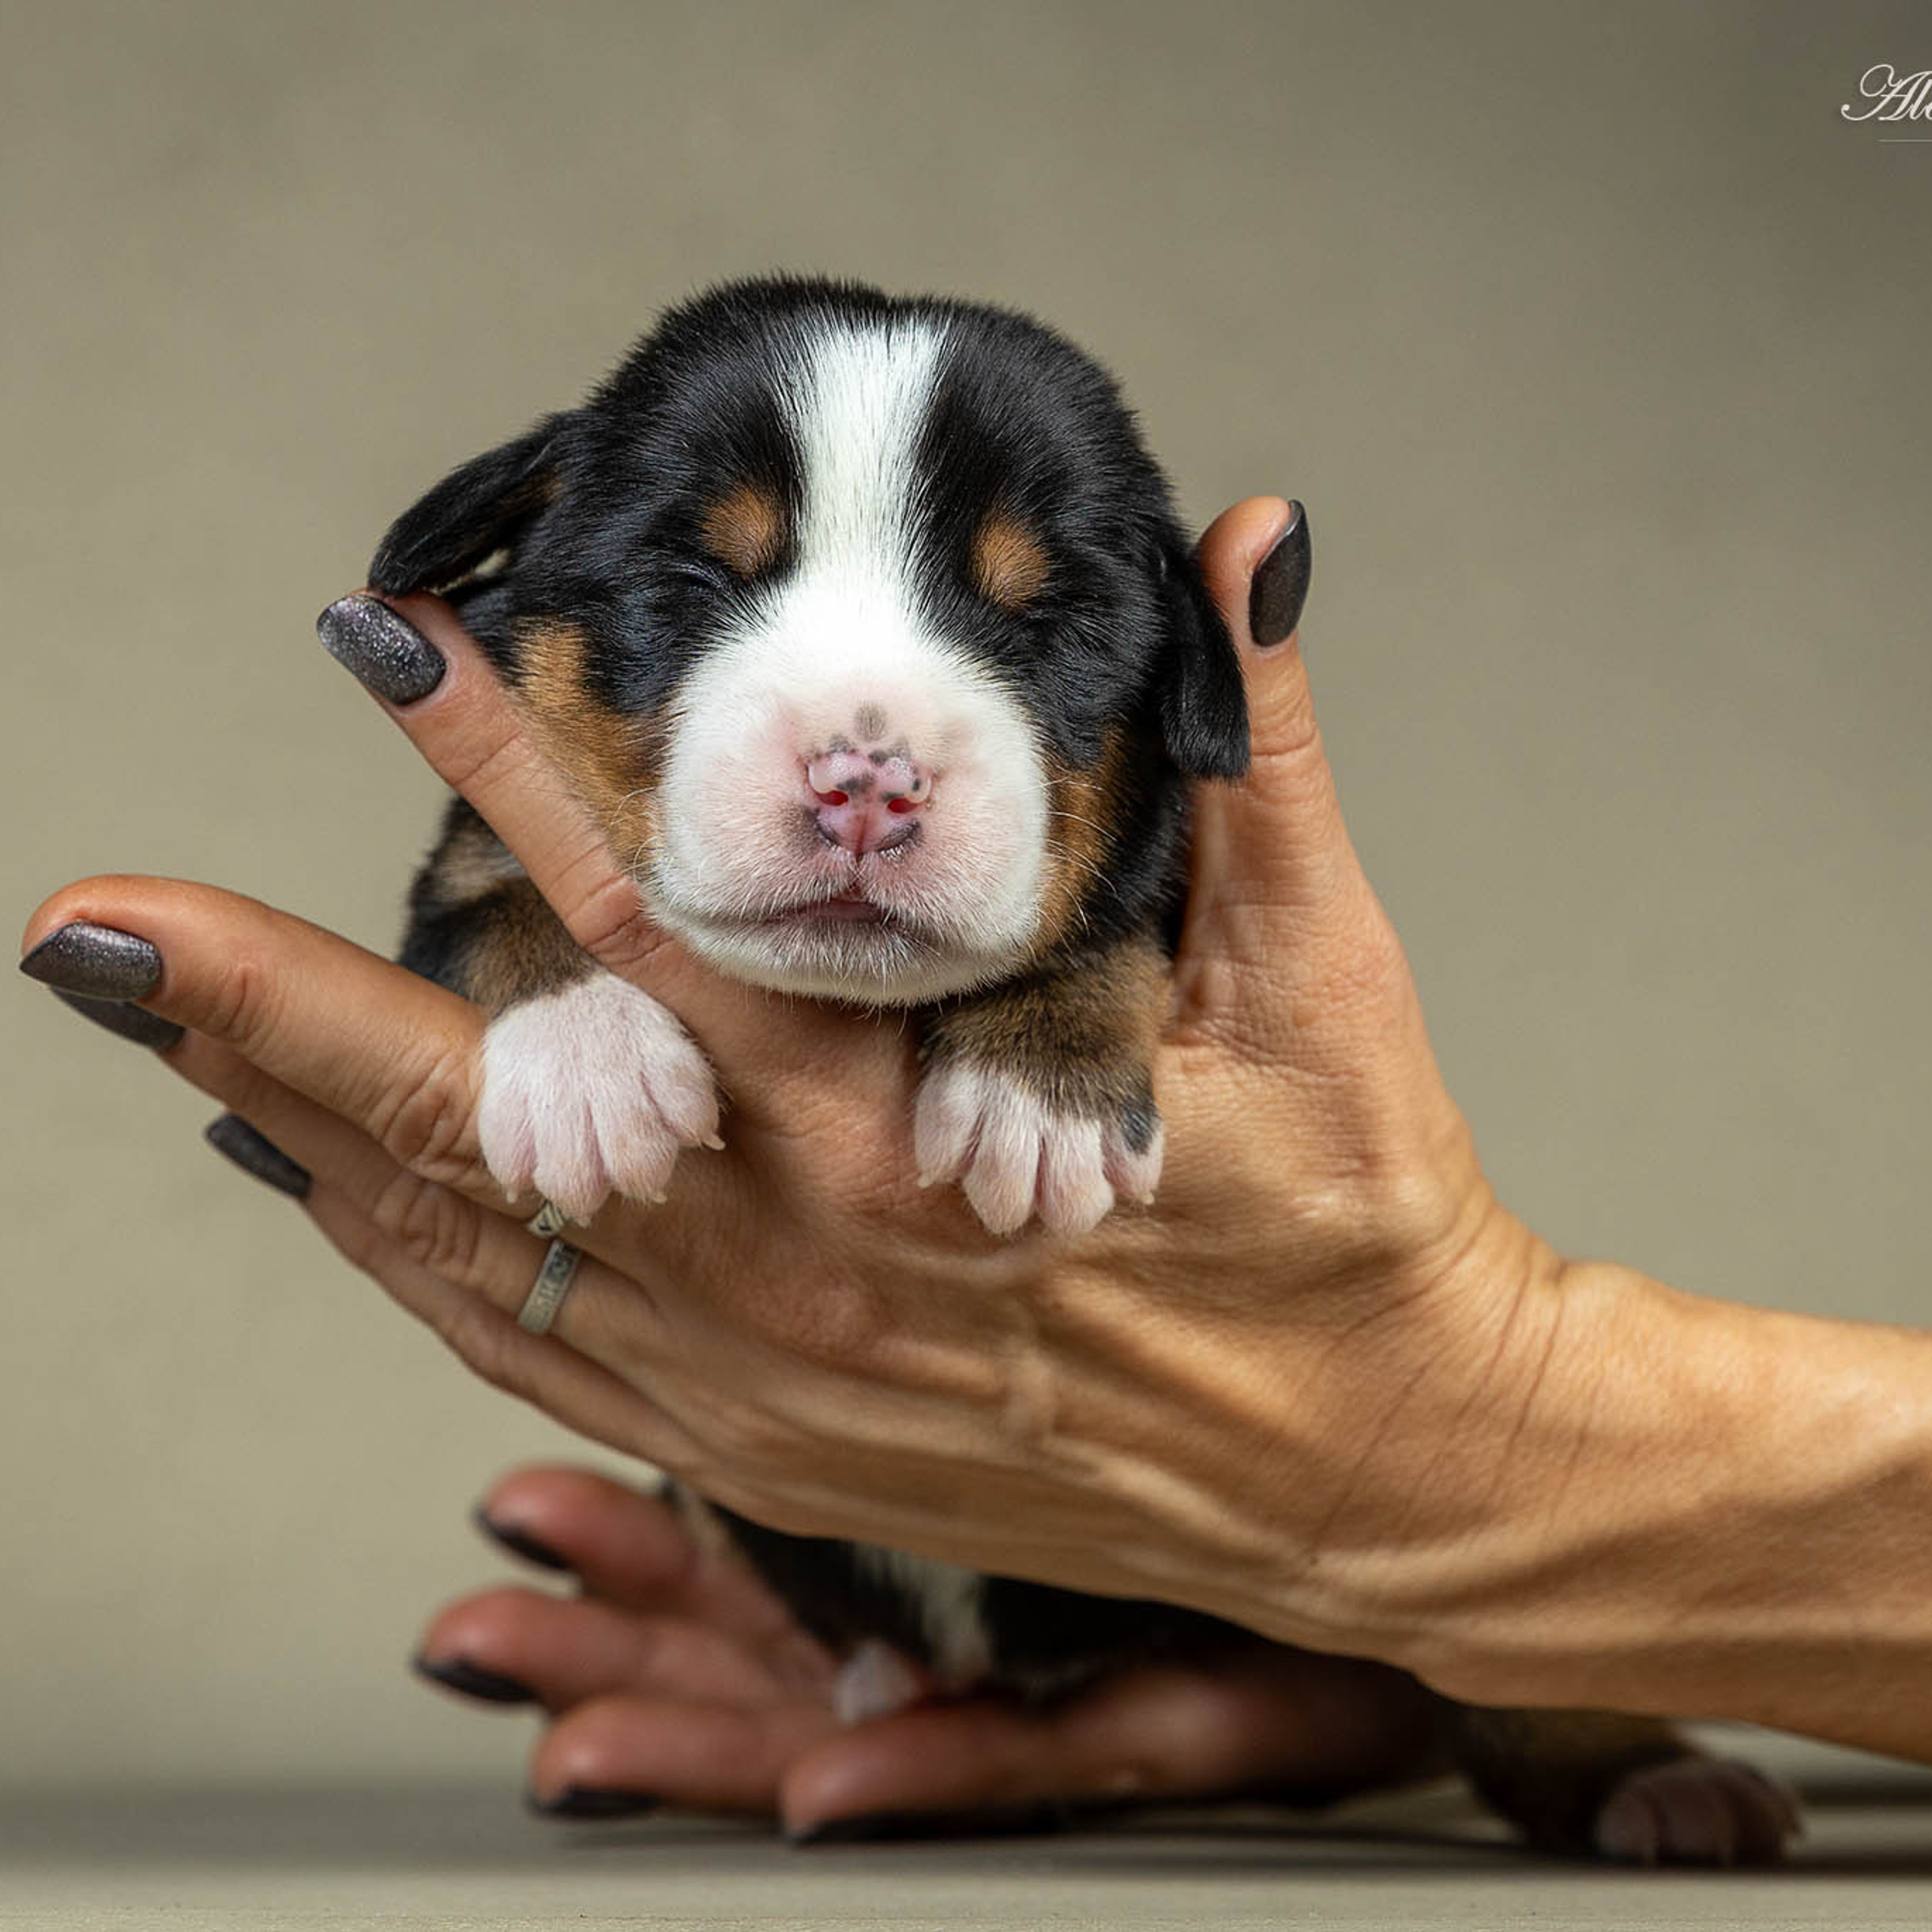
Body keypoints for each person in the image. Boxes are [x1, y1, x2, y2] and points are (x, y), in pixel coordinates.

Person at [22, 497, 1932, 1837]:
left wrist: (1477, 1462)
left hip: (1188, 1578)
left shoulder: (1105, 845)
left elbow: (1129, 922)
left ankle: (1533, 1715)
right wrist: (537, 993)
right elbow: (484, 909)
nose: (865, 759)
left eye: (1024, 625)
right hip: (903, 1592)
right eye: (704, 585)